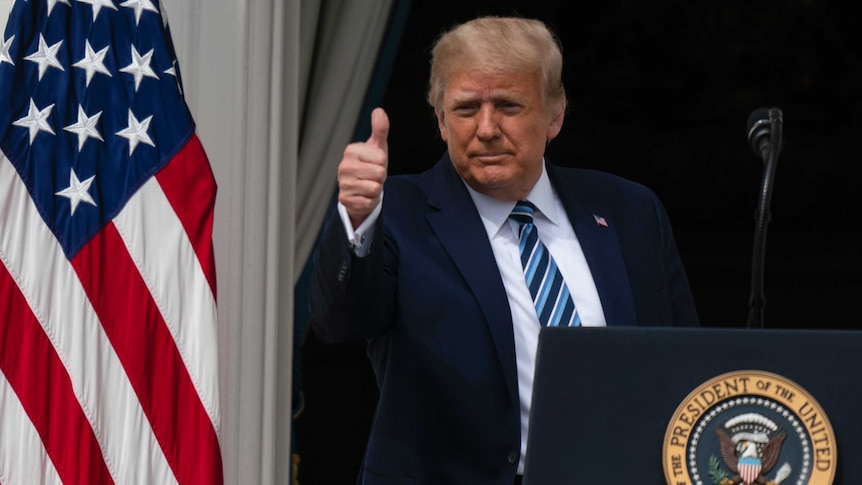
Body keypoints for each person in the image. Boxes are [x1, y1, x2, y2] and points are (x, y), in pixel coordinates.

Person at [309, 15, 699, 485]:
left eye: (509, 105)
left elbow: (683, 363)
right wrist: (356, 216)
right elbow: (339, 321)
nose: (487, 128)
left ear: (554, 116)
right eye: (466, 108)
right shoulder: (398, 214)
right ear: (440, 120)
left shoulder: (629, 211)